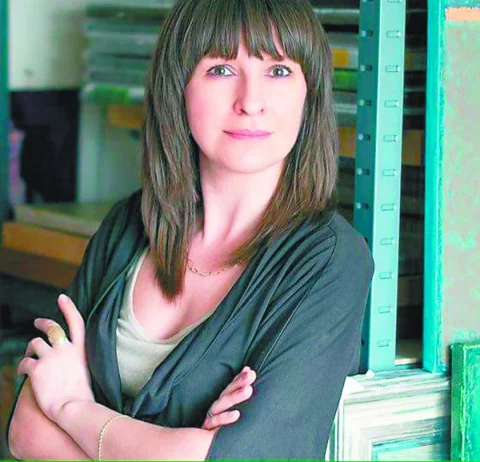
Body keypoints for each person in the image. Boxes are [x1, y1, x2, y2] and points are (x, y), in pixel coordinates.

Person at [7, 0, 374, 459]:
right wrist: (182, 446)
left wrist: (72, 407)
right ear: (178, 88)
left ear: (310, 93)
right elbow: (26, 432)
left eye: (278, 71)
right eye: (221, 69)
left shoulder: (329, 261)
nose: (251, 102)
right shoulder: (128, 225)